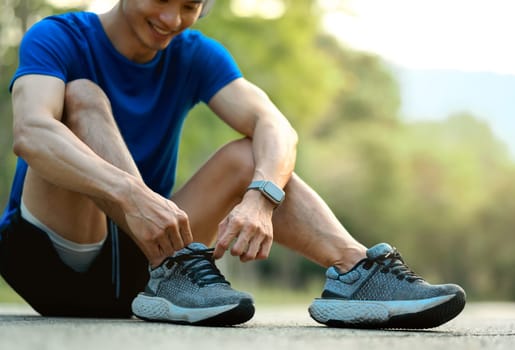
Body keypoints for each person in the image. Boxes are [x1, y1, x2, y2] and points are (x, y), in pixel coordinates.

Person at [0, 0, 465, 328]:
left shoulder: (194, 54)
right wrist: (132, 195)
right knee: (82, 95)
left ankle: (355, 273)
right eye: (161, 0)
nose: (171, 19)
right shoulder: (58, 36)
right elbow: (31, 132)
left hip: (150, 270)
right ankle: (173, 262)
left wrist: (262, 198)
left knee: (251, 155)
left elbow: (275, 126)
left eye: (189, 5)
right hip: (51, 256)